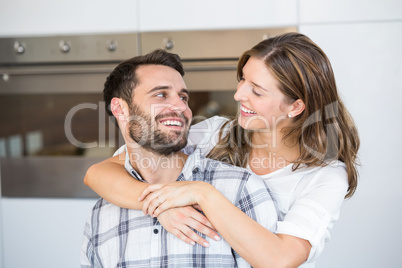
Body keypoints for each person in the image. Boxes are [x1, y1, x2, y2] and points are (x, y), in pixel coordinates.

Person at [84, 32, 360, 267]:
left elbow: (280, 260)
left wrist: (202, 193)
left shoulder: (324, 176)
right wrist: (160, 206)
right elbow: (101, 172)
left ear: (295, 107)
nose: (239, 94)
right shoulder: (215, 133)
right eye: (242, 79)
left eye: (257, 90)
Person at [80, 49, 277, 267]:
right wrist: (161, 204)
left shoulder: (241, 189)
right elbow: (95, 173)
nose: (182, 107)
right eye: (161, 94)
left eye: (183, 97)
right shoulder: (102, 214)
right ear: (120, 108)